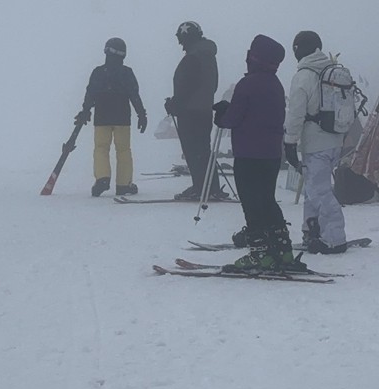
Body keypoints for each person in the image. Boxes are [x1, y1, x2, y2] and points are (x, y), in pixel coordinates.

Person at [212, 34, 305, 273]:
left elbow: (233, 119)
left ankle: (260, 253)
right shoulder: (276, 85)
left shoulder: (247, 84)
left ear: (254, 58)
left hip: (248, 155)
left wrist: (222, 114)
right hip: (271, 155)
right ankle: (283, 249)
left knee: (251, 203)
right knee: (267, 200)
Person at [283, 30, 349, 254]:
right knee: (313, 188)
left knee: (319, 191)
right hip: (335, 140)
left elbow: (295, 114)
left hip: (315, 142)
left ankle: (334, 238)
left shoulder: (304, 76)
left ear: (298, 49)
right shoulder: (331, 72)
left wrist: (289, 143)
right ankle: (312, 229)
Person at [76, 38, 148, 197]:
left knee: (101, 148)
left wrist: (85, 111)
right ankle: (123, 184)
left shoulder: (98, 72)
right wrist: (141, 114)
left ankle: (102, 178)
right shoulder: (127, 73)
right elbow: (134, 95)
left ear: (106, 51)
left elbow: (90, 93)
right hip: (122, 117)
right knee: (123, 150)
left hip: (102, 116)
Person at [163, 21, 226, 200]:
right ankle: (208, 186)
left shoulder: (193, 57)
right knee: (203, 150)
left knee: (193, 151)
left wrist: (175, 104)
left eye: (181, 39)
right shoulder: (208, 56)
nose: (180, 45)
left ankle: (202, 188)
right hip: (203, 110)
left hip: (190, 112)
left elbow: (186, 86)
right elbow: (212, 84)